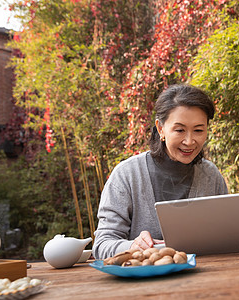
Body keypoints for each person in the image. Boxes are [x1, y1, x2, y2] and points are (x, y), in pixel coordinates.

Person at [93, 84, 228, 259]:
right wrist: (132, 246)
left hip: (202, 279)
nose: (189, 141)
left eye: (198, 130)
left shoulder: (211, 176)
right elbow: (102, 244)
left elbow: (226, 236)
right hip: (142, 282)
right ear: (160, 128)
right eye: (179, 130)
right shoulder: (127, 175)